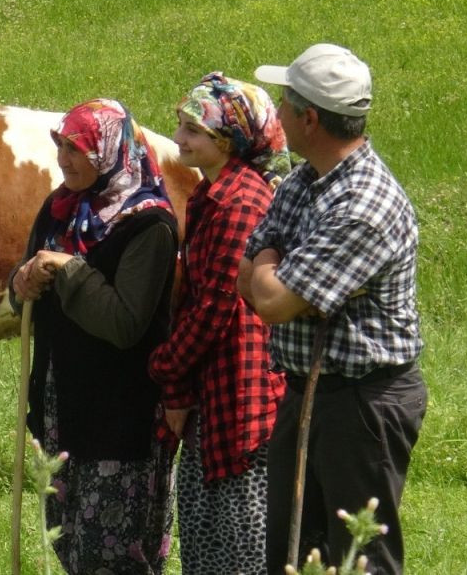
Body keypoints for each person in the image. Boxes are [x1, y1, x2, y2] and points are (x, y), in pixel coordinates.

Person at [239, 44, 426, 574]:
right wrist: (276, 272)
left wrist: (271, 264)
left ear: (310, 118)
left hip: (362, 403)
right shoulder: (303, 180)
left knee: (357, 558)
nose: (276, 114)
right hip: (306, 392)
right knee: (294, 556)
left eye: (283, 103)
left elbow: (270, 301)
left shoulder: (364, 204)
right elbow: (243, 281)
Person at [11, 99, 178, 574]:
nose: (63, 159)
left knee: (112, 556)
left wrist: (67, 268)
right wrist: (20, 285)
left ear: (110, 151)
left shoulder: (150, 225)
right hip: (63, 410)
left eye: (76, 149)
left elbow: (125, 324)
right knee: (70, 549)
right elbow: (24, 289)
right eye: (60, 146)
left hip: (119, 422)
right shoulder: (60, 207)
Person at [147, 73, 290, 574]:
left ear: (227, 139)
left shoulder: (238, 202)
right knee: (206, 538)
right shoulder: (213, 194)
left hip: (240, 389)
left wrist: (164, 366)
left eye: (193, 130)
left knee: (241, 541)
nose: (180, 139)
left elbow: (215, 307)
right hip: (215, 386)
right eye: (181, 126)